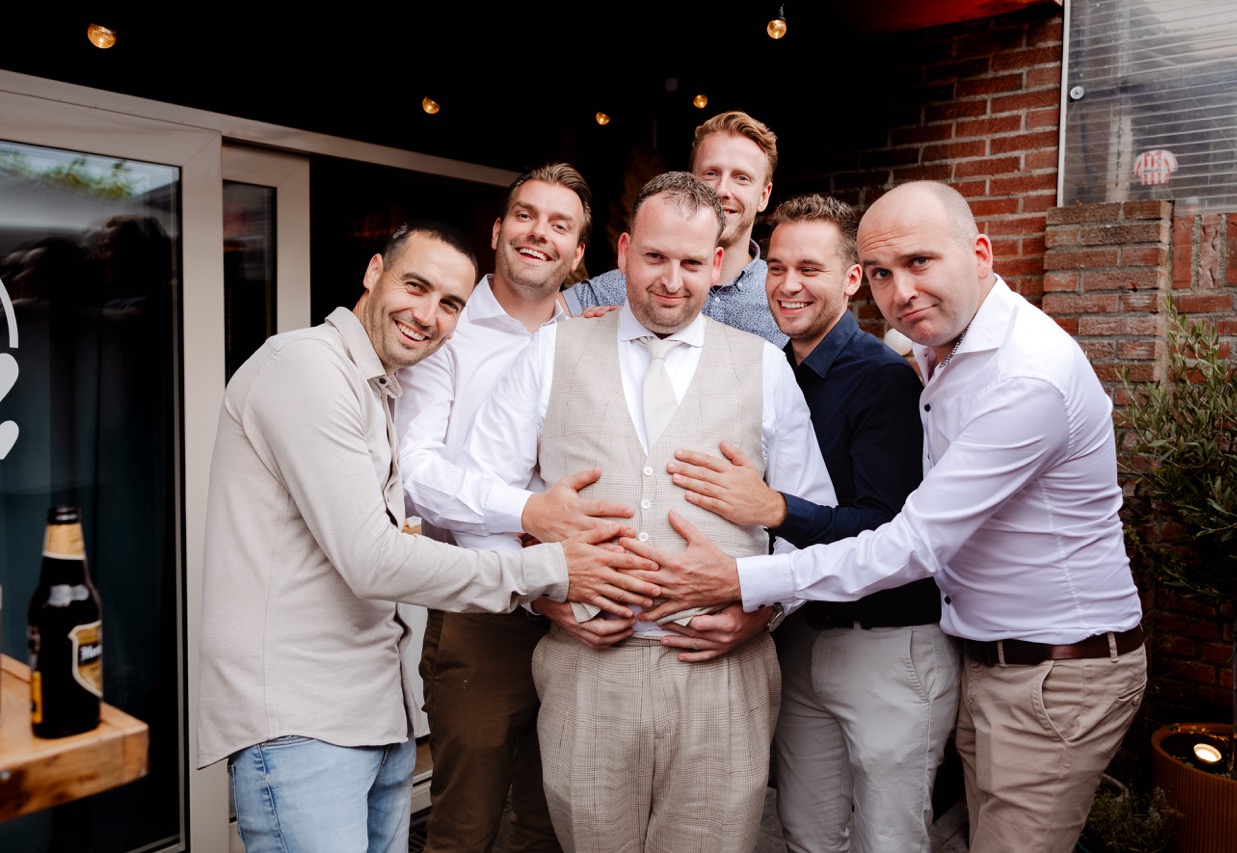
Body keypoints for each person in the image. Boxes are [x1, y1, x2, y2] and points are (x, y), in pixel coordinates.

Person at [626, 181, 1147, 853]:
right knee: (824, 830)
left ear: (980, 254)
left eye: (919, 262)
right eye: (883, 272)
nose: (901, 291)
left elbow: (909, 542)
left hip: (1048, 663)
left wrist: (749, 567)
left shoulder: (1020, 377)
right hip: (976, 653)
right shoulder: (933, 350)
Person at [196, 221, 658, 853]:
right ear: (373, 272)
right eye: (415, 286)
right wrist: (551, 568)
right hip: (301, 723)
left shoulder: (374, 386)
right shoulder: (305, 367)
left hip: (372, 714)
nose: (427, 315)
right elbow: (372, 559)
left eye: (450, 304)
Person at [455, 172, 835, 853]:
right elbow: (478, 496)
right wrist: (539, 596)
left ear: (715, 263)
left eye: (691, 262)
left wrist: (765, 612)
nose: (671, 280)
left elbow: (814, 524)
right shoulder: (553, 350)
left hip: (724, 678)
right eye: (655, 257)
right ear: (625, 251)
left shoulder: (765, 366)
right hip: (587, 673)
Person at [667, 193, 961, 852]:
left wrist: (775, 508)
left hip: (887, 646)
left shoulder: (882, 380)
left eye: (809, 268)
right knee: (806, 833)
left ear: (851, 278)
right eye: (776, 267)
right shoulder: (772, 370)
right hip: (799, 636)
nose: (788, 284)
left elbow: (888, 531)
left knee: (889, 840)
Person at [395, 165, 613, 853]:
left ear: (578, 253)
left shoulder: (596, 336)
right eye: (525, 215)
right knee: (465, 824)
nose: (538, 233)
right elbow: (414, 472)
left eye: (559, 224)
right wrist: (527, 513)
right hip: (480, 607)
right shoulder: (447, 328)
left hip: (578, 607)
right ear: (497, 230)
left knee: (554, 821)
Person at [561, 110, 786, 346]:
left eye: (741, 178)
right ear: (690, 182)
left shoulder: (783, 295)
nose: (722, 190)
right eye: (710, 173)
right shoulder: (632, 281)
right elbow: (542, 318)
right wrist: (588, 328)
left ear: (764, 196)